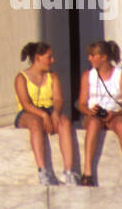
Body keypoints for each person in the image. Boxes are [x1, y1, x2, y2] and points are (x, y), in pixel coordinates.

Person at [77, 40, 122, 186]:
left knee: (121, 125)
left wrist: (115, 113)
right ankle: (87, 172)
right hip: (94, 114)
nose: (89, 58)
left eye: (93, 55)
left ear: (104, 57)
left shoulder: (120, 75)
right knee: (93, 123)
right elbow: (81, 104)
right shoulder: (88, 76)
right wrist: (90, 111)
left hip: (114, 113)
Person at [14, 42, 79, 185]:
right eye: (49, 57)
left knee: (65, 122)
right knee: (35, 123)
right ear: (38, 57)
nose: (52, 60)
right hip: (28, 112)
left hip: (48, 109)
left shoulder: (53, 76)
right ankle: (43, 171)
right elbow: (25, 103)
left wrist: (55, 113)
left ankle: (68, 172)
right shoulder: (21, 77)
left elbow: (58, 99)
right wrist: (43, 115)